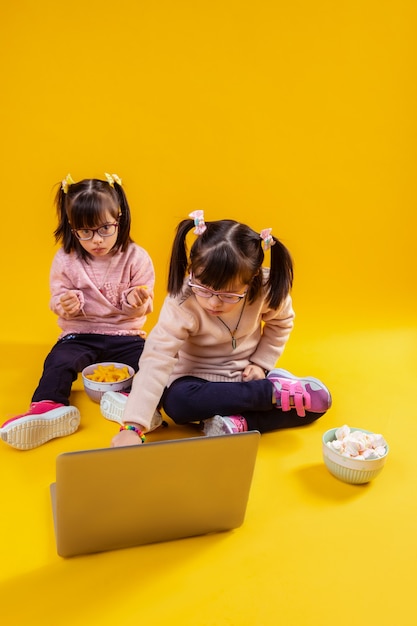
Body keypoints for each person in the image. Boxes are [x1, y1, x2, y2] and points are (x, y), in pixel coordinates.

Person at [100, 210, 332, 447]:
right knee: (177, 404)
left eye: (228, 294)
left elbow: (281, 322)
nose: (213, 302)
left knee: (314, 406)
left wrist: (261, 364)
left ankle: (241, 420)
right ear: (191, 270)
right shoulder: (182, 301)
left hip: (245, 379)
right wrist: (132, 427)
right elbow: (156, 357)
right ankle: (267, 396)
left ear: (251, 281)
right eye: (204, 288)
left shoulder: (265, 289)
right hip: (196, 383)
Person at [0, 173, 162, 450]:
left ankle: (133, 404)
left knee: (152, 365)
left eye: (104, 229)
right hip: (80, 334)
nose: (96, 240)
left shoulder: (137, 257)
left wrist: (137, 300)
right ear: (71, 227)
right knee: (58, 361)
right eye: (85, 232)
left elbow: (146, 301)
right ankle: (49, 407)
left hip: (127, 335)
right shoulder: (66, 258)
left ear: (119, 219)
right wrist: (64, 303)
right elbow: (56, 299)